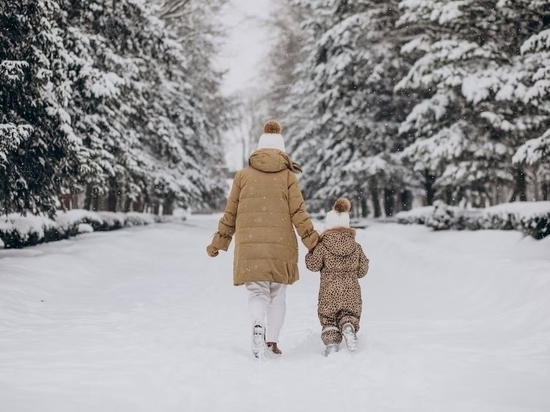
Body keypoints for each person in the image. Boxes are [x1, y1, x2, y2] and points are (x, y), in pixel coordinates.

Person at [206, 120, 319, 359]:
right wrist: (313, 242)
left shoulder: (242, 176)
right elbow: (299, 213)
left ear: (258, 149)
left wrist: (218, 242)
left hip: (250, 247)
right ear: (281, 149)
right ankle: (272, 342)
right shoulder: (288, 176)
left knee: (257, 293)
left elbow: (231, 213)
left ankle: (258, 322)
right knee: (278, 296)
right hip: (281, 248)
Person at [305, 197, 369, 356]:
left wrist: (310, 252)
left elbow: (313, 265)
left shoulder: (322, 246)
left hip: (329, 293)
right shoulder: (356, 247)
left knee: (329, 320)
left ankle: (332, 343)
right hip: (351, 293)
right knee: (349, 315)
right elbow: (362, 271)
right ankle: (348, 325)